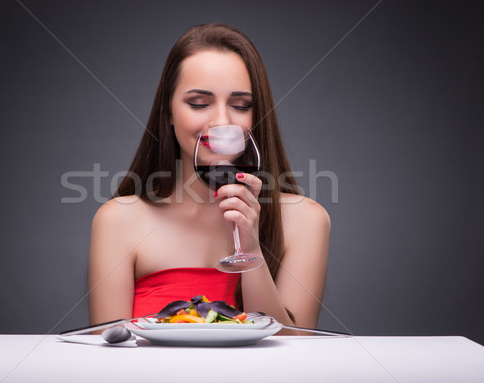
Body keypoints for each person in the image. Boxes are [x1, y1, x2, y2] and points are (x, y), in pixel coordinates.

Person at [88, 23, 330, 329]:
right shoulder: (118, 221)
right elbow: (106, 350)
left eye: (240, 106)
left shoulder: (305, 219)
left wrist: (251, 249)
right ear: (168, 113)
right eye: (199, 104)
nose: (221, 122)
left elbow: (293, 349)